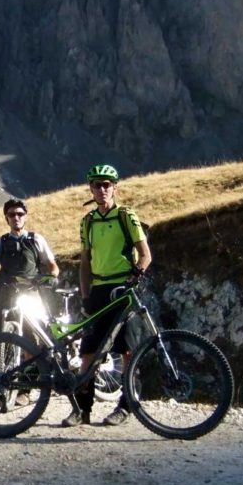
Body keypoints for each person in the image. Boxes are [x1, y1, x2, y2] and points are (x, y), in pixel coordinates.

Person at [62, 164, 152, 427]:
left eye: (106, 185)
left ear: (115, 187)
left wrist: (135, 276)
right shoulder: (88, 221)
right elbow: (85, 261)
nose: (101, 189)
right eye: (97, 185)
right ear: (90, 189)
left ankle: (126, 406)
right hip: (99, 289)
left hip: (123, 290)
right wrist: (85, 293)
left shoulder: (126, 216)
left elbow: (145, 254)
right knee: (88, 350)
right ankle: (82, 409)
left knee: (126, 350)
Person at [0, 197, 60, 407]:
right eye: (12, 214)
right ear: (6, 218)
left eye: (20, 214)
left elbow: (52, 266)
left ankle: (26, 390)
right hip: (6, 295)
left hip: (31, 295)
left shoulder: (36, 239)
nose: (16, 218)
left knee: (32, 343)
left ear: (26, 216)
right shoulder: (0, 242)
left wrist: (49, 279)